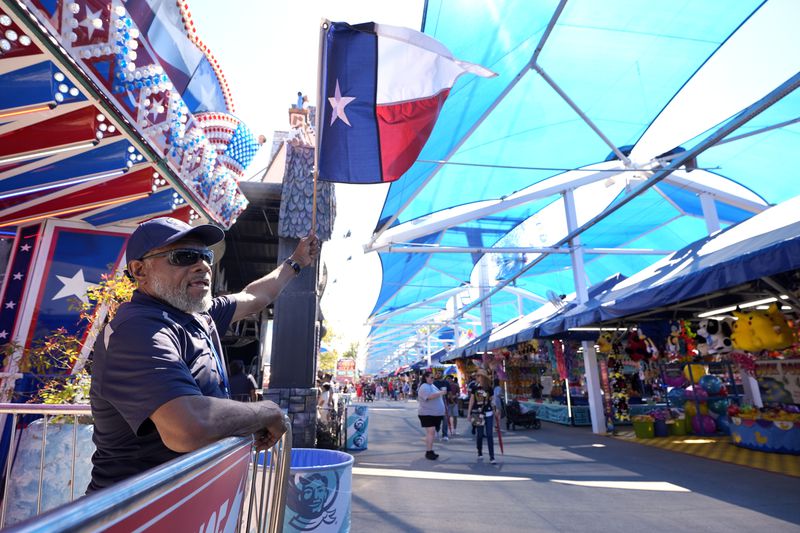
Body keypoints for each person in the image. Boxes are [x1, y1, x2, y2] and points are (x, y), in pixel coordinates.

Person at [87, 216, 319, 492]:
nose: (203, 266)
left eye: (205, 256)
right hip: (138, 513)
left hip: (186, 505)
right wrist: (265, 412)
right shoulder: (138, 330)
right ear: (139, 271)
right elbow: (188, 428)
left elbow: (254, 297)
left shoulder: (196, 314)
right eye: (183, 256)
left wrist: (296, 262)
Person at [467, 370, 496, 464]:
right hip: (477, 413)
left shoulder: (489, 388)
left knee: (489, 435)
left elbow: (492, 400)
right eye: (477, 376)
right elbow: (471, 401)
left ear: (483, 377)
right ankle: (479, 451)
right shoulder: (474, 388)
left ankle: (492, 456)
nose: (477, 377)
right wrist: (468, 413)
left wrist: (496, 409)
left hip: (488, 412)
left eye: (479, 376)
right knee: (479, 435)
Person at [417, 371, 446, 460]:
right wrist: (441, 393)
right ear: (426, 377)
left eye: (433, 377)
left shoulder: (431, 385)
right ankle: (429, 452)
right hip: (427, 414)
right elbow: (429, 396)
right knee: (431, 432)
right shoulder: (424, 386)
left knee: (432, 433)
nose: (433, 379)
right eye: (431, 377)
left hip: (433, 414)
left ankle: (430, 450)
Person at [432, 373, 450, 440]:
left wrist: (450, 398)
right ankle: (437, 431)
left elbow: (449, 392)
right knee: (437, 418)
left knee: (445, 419)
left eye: (439, 373)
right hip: (437, 403)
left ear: (442, 374)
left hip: (445, 403)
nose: (437, 374)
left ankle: (445, 435)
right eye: (437, 373)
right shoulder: (434, 383)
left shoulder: (446, 383)